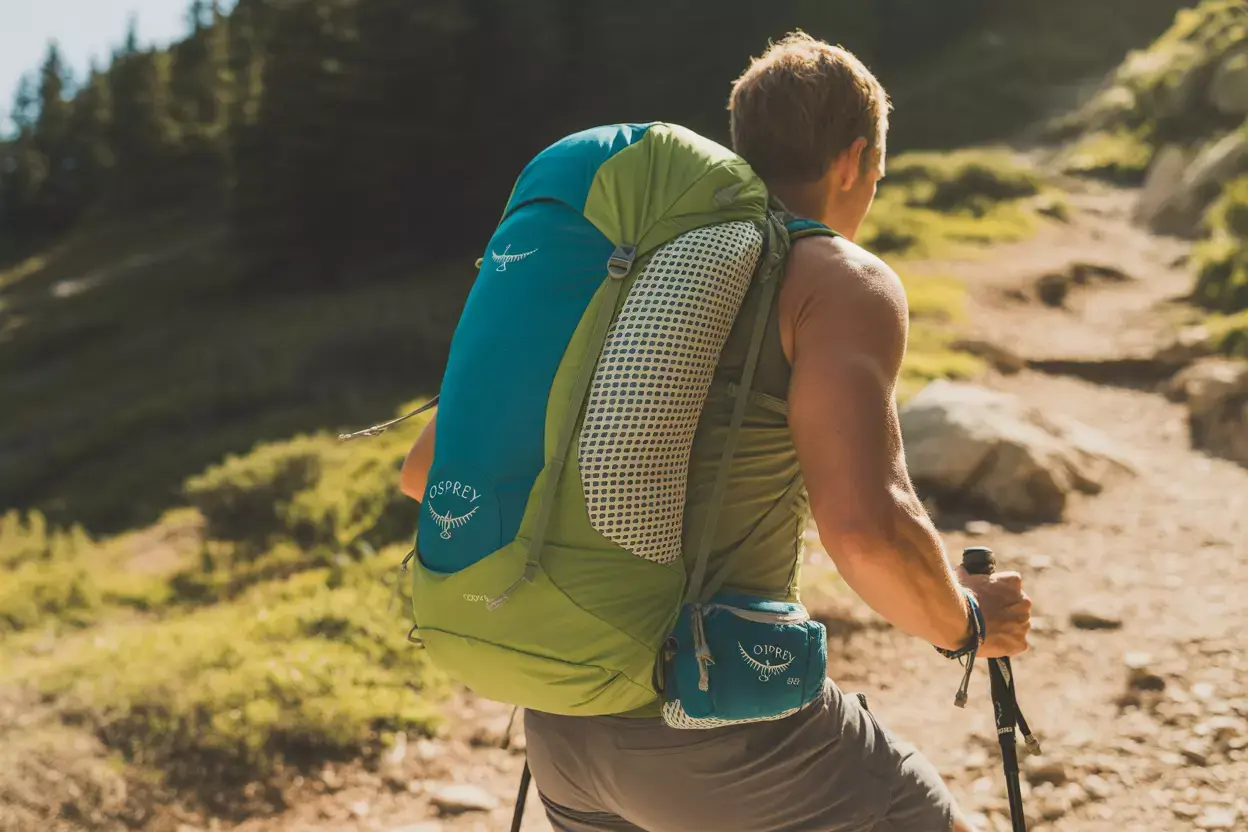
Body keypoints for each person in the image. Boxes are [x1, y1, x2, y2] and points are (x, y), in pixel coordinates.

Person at [400, 31, 1032, 832]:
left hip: (561, 731)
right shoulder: (837, 280)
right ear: (852, 161)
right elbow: (867, 530)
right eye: (876, 172)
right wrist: (968, 622)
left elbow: (424, 472)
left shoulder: (629, 277)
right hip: (725, 729)